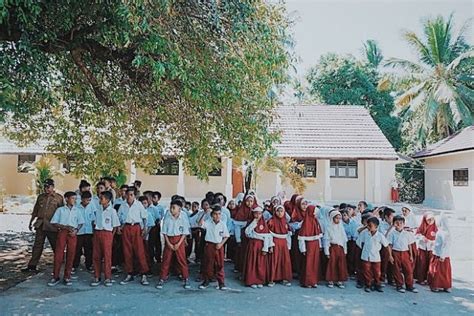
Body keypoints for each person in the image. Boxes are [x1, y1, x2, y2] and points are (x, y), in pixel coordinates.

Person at [22, 179, 64, 272]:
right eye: (45, 187)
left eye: (48, 187)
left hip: (52, 225)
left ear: (53, 187)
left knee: (56, 246)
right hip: (40, 224)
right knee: (37, 245)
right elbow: (35, 210)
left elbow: (62, 213)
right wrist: (31, 221)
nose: (47, 189)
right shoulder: (41, 197)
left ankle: (60, 262)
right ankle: (32, 265)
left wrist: (61, 225)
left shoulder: (59, 198)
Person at [47, 192, 85, 286]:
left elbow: (81, 222)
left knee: (71, 254)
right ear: (66, 199)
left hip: (72, 233)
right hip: (63, 232)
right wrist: (64, 226)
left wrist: (76, 230)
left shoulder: (77, 210)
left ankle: (67, 277)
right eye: (72, 198)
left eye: (75, 199)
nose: (74, 200)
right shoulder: (60, 210)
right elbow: (54, 222)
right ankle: (55, 276)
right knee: (59, 254)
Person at [156, 199, 191, 290]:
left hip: (179, 240)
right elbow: (164, 233)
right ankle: (162, 278)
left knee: (182, 260)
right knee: (166, 260)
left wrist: (179, 243)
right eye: (171, 208)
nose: (172, 210)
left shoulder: (183, 218)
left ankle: (186, 278)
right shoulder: (167, 218)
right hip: (169, 240)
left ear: (179, 209)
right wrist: (169, 244)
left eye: (174, 208)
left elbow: (184, 233)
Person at [117, 187, 149, 286]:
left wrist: (144, 229)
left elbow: (144, 217)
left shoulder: (139, 205)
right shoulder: (123, 205)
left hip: (136, 228)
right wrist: (119, 227)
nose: (129, 197)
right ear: (125, 195)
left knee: (139, 251)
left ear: (135, 196)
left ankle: (144, 274)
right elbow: (119, 218)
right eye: (128, 194)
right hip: (126, 228)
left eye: (131, 195)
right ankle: (129, 273)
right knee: (127, 251)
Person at [90, 191, 120, 287]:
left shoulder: (112, 211)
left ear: (107, 200)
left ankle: (108, 277)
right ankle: (97, 276)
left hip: (107, 233)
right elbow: (95, 222)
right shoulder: (98, 210)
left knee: (107, 256)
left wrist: (111, 235)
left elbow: (115, 225)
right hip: (98, 232)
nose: (100, 200)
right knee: (96, 256)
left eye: (102, 198)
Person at [357, 217, 393, 293]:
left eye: (370, 226)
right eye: (368, 225)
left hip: (376, 256)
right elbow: (359, 242)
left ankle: (377, 284)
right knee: (367, 271)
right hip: (366, 255)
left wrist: (390, 256)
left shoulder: (380, 235)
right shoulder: (364, 233)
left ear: (376, 226)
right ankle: (368, 285)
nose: (368, 227)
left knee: (377, 272)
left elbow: (386, 245)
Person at [198, 205, 230, 290]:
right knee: (208, 263)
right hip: (209, 245)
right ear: (212, 215)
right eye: (215, 214)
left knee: (220, 264)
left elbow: (226, 236)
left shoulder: (222, 224)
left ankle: (221, 282)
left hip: (219, 246)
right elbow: (200, 223)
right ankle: (206, 280)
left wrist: (221, 244)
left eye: (219, 214)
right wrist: (205, 213)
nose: (217, 216)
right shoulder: (208, 222)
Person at [386, 215, 418, 293]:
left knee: (408, 270)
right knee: (396, 269)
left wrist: (410, 255)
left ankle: (409, 285)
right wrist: (390, 256)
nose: (399, 224)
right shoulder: (392, 234)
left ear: (404, 224)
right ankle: (399, 285)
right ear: (394, 224)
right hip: (395, 252)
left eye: (401, 223)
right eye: (397, 223)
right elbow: (389, 245)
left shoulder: (407, 234)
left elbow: (409, 245)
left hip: (405, 253)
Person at [244, 207, 272, 288]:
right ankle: (252, 281)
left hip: (261, 245)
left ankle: (260, 280)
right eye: (256, 213)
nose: (257, 215)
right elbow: (247, 232)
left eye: (259, 213)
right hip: (253, 245)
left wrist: (266, 248)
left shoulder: (264, 224)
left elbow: (267, 236)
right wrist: (254, 223)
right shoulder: (251, 222)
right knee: (252, 263)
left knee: (260, 264)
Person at [297, 203, 323, 288]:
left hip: (315, 246)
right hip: (308, 246)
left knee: (315, 264)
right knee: (308, 264)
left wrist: (319, 246)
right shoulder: (305, 223)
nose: (315, 214)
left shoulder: (316, 222)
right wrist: (303, 249)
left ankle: (314, 281)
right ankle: (307, 282)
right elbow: (301, 238)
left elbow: (318, 236)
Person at [267, 205, 292, 287]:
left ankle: (284, 278)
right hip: (275, 243)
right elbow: (268, 234)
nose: (280, 213)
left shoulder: (285, 222)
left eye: (282, 211)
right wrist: (270, 245)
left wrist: (288, 246)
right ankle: (272, 278)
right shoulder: (271, 221)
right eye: (278, 211)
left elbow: (288, 235)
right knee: (274, 260)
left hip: (283, 244)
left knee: (284, 261)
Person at [324, 210, 348, 288]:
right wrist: (327, 252)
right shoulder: (329, 228)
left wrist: (345, 250)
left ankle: (339, 280)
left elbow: (344, 240)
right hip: (332, 248)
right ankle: (331, 280)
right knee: (332, 264)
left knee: (340, 264)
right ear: (332, 218)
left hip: (340, 248)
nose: (338, 220)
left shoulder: (341, 228)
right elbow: (326, 240)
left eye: (339, 218)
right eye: (336, 218)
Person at [428, 215, 452, 292]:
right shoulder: (441, 231)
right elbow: (438, 242)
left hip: (440, 255)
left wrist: (442, 255)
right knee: (444, 272)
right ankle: (445, 286)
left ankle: (437, 285)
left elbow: (445, 245)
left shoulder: (445, 233)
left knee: (437, 271)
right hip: (438, 253)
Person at [73, 191, 95, 272]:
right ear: (82, 199)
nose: (88, 202)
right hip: (79, 232)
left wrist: (93, 232)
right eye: (86, 200)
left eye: (89, 200)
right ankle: (75, 265)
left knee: (89, 249)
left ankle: (89, 265)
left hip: (89, 231)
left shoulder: (91, 206)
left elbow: (93, 220)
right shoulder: (76, 207)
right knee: (77, 249)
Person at [415, 212, 437, 285]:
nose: (430, 221)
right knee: (422, 264)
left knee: (430, 264)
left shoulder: (435, 228)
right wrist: (422, 237)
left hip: (431, 249)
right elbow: (417, 234)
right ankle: (420, 279)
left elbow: (438, 239)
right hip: (422, 248)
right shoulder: (422, 227)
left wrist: (432, 241)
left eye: (432, 219)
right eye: (428, 220)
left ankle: (429, 279)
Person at [379, 207, 396, 284]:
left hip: (393, 246)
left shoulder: (396, 224)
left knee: (392, 263)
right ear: (386, 216)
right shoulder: (381, 224)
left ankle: (391, 279)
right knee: (384, 262)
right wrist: (391, 226)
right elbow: (384, 236)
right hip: (385, 246)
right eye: (392, 216)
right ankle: (381, 278)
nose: (393, 218)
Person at [341, 209, 358, 277]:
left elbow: (355, 231)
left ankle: (353, 271)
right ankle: (348, 270)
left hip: (353, 240)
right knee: (347, 256)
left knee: (353, 256)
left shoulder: (353, 222)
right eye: (342, 215)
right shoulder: (341, 224)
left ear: (348, 215)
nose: (343, 217)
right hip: (346, 241)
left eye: (345, 215)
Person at [150, 191, 164, 263]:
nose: (153, 199)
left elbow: (161, 216)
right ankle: (151, 257)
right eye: (153, 197)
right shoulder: (149, 207)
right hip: (150, 226)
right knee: (150, 242)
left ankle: (158, 257)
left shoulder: (160, 207)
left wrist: (158, 222)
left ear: (158, 199)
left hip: (157, 226)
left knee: (157, 242)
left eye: (155, 198)